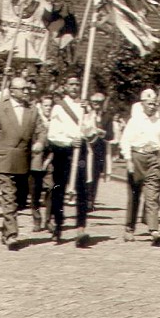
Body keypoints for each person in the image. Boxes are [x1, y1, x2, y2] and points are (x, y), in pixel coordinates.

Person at [0, 77, 44, 250]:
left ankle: (6, 231)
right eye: (23, 89)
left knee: (17, 200)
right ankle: (12, 234)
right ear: (12, 91)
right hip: (4, 161)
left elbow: (41, 130)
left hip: (23, 162)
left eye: (27, 88)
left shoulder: (32, 110)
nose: (27, 91)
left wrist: (40, 141)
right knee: (8, 197)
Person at [47, 76, 96, 246]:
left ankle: (81, 228)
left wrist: (88, 113)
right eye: (71, 84)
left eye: (77, 84)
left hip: (80, 151)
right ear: (65, 87)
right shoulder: (58, 108)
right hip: (63, 150)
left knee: (82, 189)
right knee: (59, 188)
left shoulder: (84, 107)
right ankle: (58, 225)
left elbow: (90, 131)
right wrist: (68, 142)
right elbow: (52, 134)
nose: (74, 87)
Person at [120, 88, 160, 245]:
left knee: (152, 195)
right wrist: (128, 160)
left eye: (154, 104)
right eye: (149, 104)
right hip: (137, 158)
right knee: (134, 196)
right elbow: (125, 141)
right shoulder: (134, 121)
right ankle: (129, 228)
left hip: (153, 159)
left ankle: (154, 229)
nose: (152, 107)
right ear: (142, 104)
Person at [85, 92, 114, 213]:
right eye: (94, 102)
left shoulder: (107, 117)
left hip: (99, 151)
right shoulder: (86, 115)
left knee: (95, 175)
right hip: (86, 149)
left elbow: (111, 135)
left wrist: (102, 133)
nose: (96, 105)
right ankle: (84, 198)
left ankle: (91, 199)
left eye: (99, 103)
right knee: (85, 174)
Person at [30, 95, 54, 231]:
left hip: (50, 159)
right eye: (46, 105)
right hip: (36, 160)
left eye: (50, 106)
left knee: (51, 189)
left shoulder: (55, 121)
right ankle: (36, 218)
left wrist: (49, 159)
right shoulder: (36, 121)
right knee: (35, 192)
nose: (48, 108)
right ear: (41, 106)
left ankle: (48, 219)